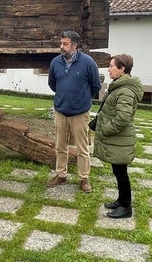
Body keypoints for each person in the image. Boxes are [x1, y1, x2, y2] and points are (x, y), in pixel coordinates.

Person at [47, 30, 101, 193]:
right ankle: (61, 174)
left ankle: (84, 178)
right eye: (61, 43)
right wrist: (64, 97)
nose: (61, 46)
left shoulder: (88, 62)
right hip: (61, 111)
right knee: (60, 146)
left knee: (82, 148)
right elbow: (52, 84)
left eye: (65, 44)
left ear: (75, 46)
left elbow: (96, 86)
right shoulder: (56, 62)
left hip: (80, 113)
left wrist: (80, 99)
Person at [93, 54, 143, 218]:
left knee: (121, 173)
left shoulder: (126, 91)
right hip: (118, 139)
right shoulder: (119, 86)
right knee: (118, 171)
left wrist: (105, 130)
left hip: (120, 138)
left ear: (122, 69)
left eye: (112, 66)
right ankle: (121, 200)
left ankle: (126, 207)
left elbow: (122, 118)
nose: (108, 69)